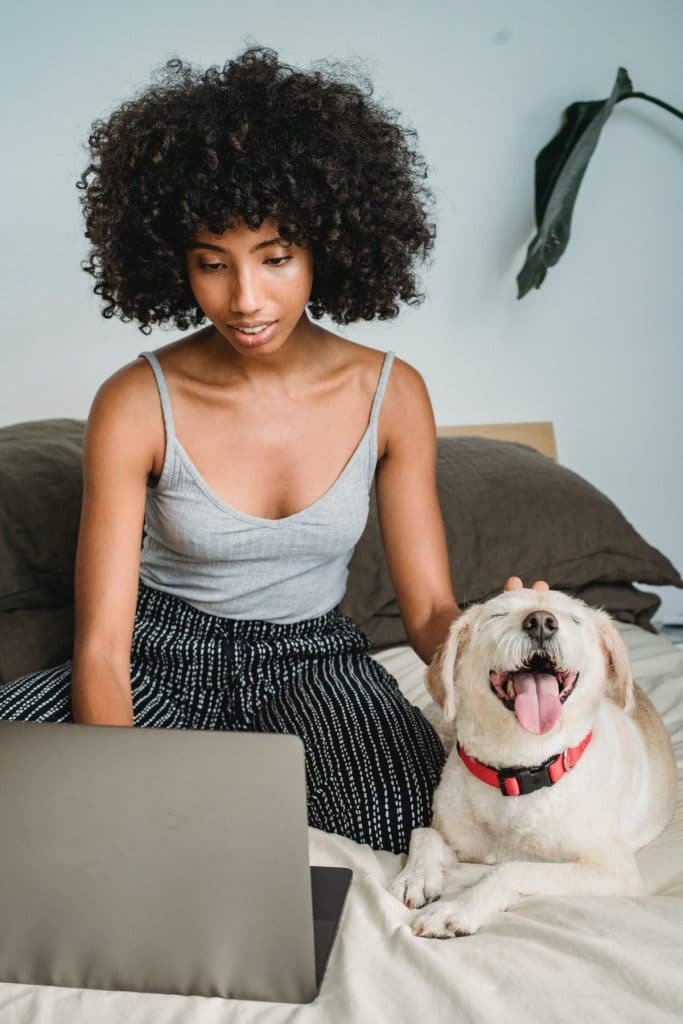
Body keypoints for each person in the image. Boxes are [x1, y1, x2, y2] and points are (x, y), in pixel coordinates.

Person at [0, 47, 546, 854]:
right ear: (172, 262)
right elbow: (102, 647)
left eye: (276, 259)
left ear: (329, 244)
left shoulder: (391, 394)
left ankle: (227, 786)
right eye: (210, 265)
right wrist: (117, 797)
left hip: (309, 659)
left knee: (406, 816)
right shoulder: (132, 402)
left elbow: (429, 613)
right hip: (158, 654)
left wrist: (500, 639)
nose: (245, 300)